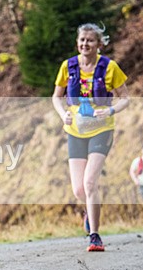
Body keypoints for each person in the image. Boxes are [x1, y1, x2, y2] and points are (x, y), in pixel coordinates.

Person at [52, 23, 130, 252]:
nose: (85, 44)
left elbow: (125, 97)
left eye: (90, 40)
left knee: (89, 182)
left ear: (100, 44)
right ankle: (89, 210)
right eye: (82, 40)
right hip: (75, 132)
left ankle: (94, 235)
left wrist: (111, 110)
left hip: (102, 130)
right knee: (79, 190)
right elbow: (56, 97)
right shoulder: (68, 66)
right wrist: (62, 114)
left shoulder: (110, 67)